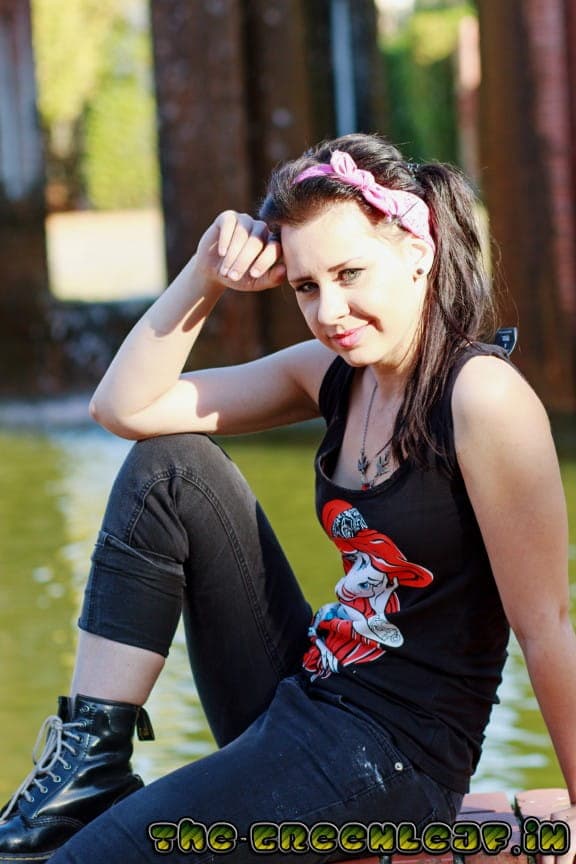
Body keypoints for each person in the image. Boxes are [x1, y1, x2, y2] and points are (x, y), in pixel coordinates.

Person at [1, 133, 575, 864]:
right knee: (173, 469)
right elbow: (124, 409)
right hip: (309, 689)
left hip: (394, 757)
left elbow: (546, 626)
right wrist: (205, 275)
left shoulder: (482, 397)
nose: (330, 311)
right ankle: (90, 766)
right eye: (306, 286)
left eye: (349, 273)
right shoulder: (334, 374)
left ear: (417, 250)